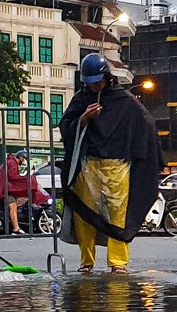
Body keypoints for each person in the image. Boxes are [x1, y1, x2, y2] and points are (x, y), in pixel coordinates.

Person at [59, 52, 162, 273]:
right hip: (89, 166)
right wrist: (84, 119)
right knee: (84, 212)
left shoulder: (124, 100)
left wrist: (144, 154)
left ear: (106, 77)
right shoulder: (81, 98)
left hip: (117, 166)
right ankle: (86, 261)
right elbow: (66, 125)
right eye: (90, 83)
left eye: (97, 82)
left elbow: (146, 124)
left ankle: (118, 262)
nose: (94, 87)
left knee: (118, 214)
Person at [0, 153, 50, 234]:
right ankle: (16, 228)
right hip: (2, 190)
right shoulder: (12, 163)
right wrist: (26, 179)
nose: (25, 161)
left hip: (4, 189)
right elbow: (13, 177)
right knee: (13, 205)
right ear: (21, 157)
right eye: (25, 159)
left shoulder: (10, 162)